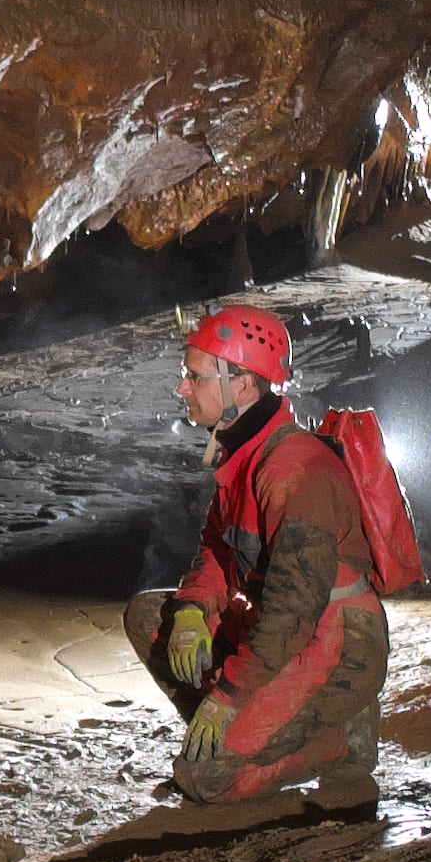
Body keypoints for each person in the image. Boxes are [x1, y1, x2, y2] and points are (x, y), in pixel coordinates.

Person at [122, 304, 386, 810]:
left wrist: (226, 699)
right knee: (150, 617)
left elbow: (293, 614)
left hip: (335, 644)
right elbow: (218, 552)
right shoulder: (245, 454)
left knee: (205, 780)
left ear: (242, 386)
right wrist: (193, 611)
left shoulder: (293, 471)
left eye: (194, 377)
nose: (182, 389)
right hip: (279, 629)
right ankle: (247, 735)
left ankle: (338, 739)